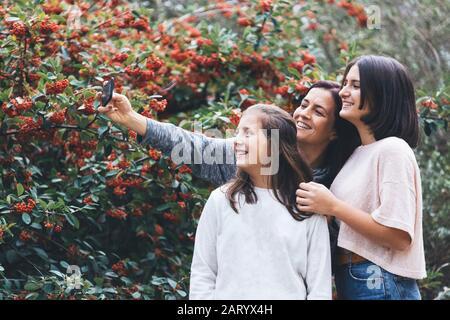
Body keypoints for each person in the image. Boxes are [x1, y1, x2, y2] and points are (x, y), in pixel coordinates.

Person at [296, 55, 426, 300]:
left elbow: (398, 236)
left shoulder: (393, 150)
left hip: (379, 280)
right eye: (345, 83)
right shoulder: (358, 154)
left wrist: (333, 206)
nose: (344, 92)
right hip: (357, 279)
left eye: (355, 86)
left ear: (382, 94)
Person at [189, 104, 331, 299]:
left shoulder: (307, 207)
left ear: (276, 146)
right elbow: (202, 276)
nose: (237, 141)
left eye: (248, 133)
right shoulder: (220, 200)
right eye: (238, 133)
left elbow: (319, 291)